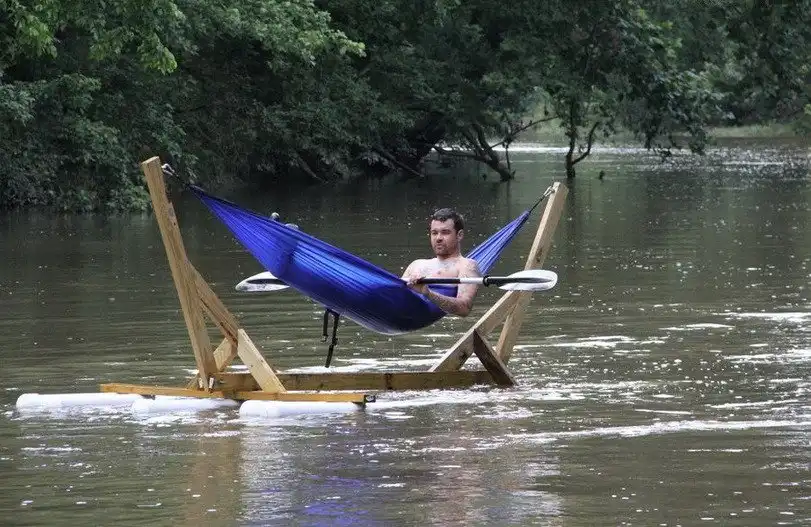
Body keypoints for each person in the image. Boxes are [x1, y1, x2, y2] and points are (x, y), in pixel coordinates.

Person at [402, 208, 482, 317]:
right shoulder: (416, 264)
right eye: (434, 233)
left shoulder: (466, 266)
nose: (438, 238)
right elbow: (396, 296)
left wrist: (428, 294)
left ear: (459, 235)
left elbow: (464, 308)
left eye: (445, 232)